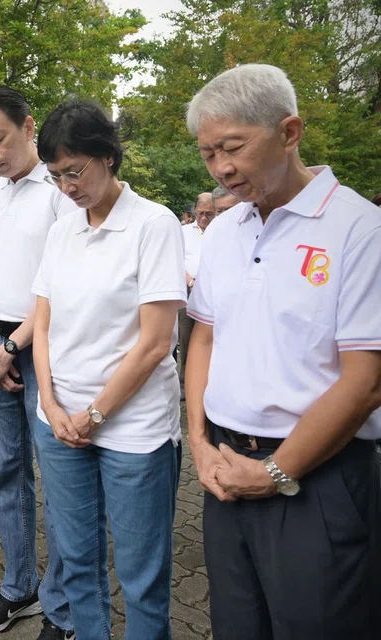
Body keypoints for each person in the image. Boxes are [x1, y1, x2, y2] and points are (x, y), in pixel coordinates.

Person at [185, 63, 381, 639]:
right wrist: (198, 441)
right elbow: (205, 336)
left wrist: (276, 472)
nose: (221, 168)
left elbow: (365, 379)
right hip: (225, 471)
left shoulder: (359, 230)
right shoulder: (224, 231)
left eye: (234, 148)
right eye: (207, 153)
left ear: (289, 132)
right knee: (237, 626)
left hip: (317, 481)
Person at [32, 98, 186, 640]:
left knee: (142, 575)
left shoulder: (153, 224)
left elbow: (154, 343)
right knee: (76, 558)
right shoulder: (62, 231)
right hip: (61, 424)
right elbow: (43, 323)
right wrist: (51, 406)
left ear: (109, 157)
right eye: (55, 176)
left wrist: (95, 414)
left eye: (75, 171)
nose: (68, 186)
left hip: (134, 428)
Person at [0, 86, 75, 639]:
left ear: (29, 127)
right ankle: (19, 586)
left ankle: (65, 601)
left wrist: (12, 349)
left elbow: (57, 286)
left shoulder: (59, 192)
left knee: (57, 476)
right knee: (8, 471)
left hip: (44, 348)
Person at [177, 192, 216, 395]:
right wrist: (191, 281)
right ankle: (184, 384)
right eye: (201, 213)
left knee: (210, 340)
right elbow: (176, 260)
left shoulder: (221, 230)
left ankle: (207, 384)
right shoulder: (183, 232)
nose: (204, 218)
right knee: (186, 338)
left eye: (209, 214)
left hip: (213, 294)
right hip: (187, 291)